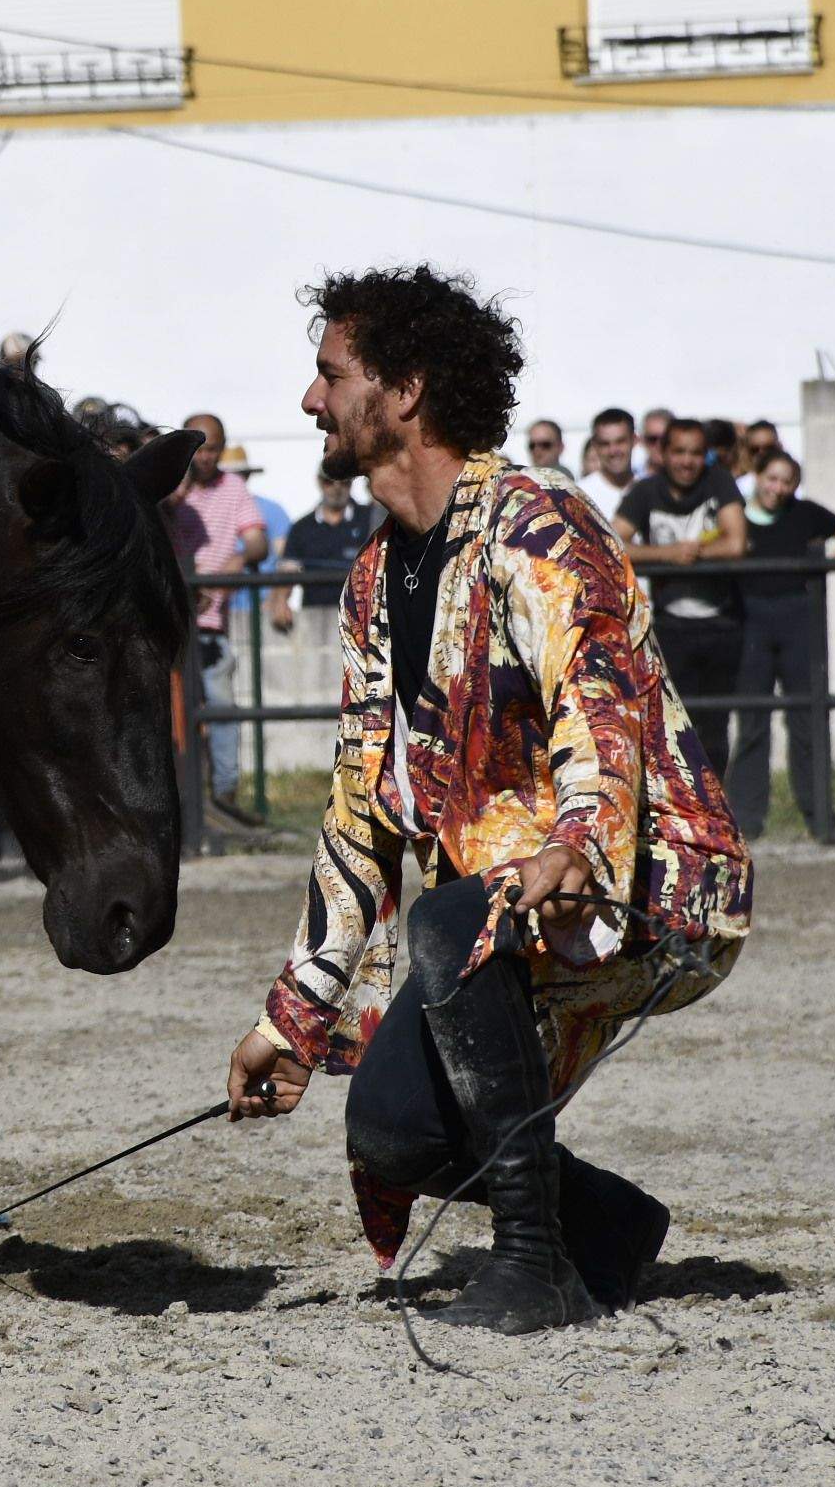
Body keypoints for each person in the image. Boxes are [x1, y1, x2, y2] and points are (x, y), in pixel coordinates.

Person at [223, 264, 746, 1336]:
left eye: (329, 375)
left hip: (641, 882)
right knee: (392, 1132)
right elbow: (361, 809)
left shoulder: (540, 528)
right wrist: (292, 1015)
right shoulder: (374, 576)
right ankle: (604, 1224)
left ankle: (535, 1260)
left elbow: (600, 704)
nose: (310, 400)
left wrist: (578, 845)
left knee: (451, 914)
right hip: (493, 918)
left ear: (403, 391)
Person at [726, 449, 835, 838]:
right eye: (772, 478)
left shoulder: (804, 513)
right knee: (752, 722)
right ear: (757, 476)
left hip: (797, 620)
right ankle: (747, 820)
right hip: (750, 621)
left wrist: (826, 565)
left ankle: (820, 818)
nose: (778, 488)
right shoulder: (735, 516)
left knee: (807, 719)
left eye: (786, 481)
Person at [614, 417, 746, 767]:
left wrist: (695, 554)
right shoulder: (645, 491)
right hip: (671, 627)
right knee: (672, 726)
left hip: (723, 624)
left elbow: (736, 542)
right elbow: (612, 542)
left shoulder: (719, 482)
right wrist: (667, 555)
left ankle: (716, 812)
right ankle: (682, 812)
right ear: (663, 453)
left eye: (696, 453)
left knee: (716, 727)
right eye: (679, 452)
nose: (687, 461)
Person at [166, 410, 267, 807]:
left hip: (210, 623)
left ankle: (225, 793)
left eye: (214, 449)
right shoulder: (171, 489)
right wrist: (180, 487)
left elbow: (257, 541)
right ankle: (181, 795)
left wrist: (234, 565)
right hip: (170, 616)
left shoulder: (234, 490)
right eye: (200, 449)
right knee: (171, 715)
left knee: (221, 706)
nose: (207, 458)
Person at [267, 463, 376, 630]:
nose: (336, 487)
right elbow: (287, 571)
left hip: (363, 620)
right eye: (329, 481)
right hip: (314, 621)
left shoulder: (370, 519)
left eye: (344, 482)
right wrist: (280, 601)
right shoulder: (302, 528)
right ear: (319, 482)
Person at [577, 408, 632, 523]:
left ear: (634, 440)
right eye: (605, 444)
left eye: (620, 441)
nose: (613, 451)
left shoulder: (650, 490)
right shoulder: (580, 495)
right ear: (595, 445)